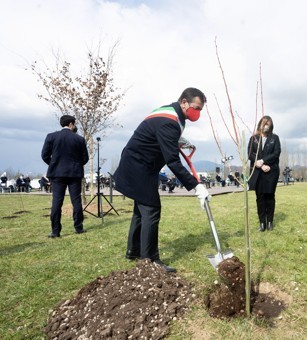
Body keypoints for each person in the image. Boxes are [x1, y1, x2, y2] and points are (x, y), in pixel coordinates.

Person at [113, 88, 211, 273]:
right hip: (139, 166)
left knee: (140, 211)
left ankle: (133, 250)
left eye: (200, 110)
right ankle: (150, 260)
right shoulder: (169, 121)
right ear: (183, 102)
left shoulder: (169, 112)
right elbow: (173, 161)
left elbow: (158, 134)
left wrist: (179, 140)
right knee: (151, 210)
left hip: (139, 164)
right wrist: (196, 186)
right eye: (195, 108)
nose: (197, 113)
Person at [41, 115, 89, 238]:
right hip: (74, 173)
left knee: (57, 201)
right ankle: (79, 228)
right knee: (76, 200)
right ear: (72, 124)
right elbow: (85, 158)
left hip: (57, 174)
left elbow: (44, 155)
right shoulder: (79, 139)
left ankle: (55, 231)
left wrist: (54, 164)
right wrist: (76, 165)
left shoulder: (51, 136)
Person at [248, 116, 281, 232]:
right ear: (260, 124)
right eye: (264, 123)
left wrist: (264, 161)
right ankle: (262, 222)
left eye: (268, 124)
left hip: (271, 171)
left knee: (270, 196)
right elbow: (250, 154)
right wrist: (260, 164)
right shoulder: (254, 138)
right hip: (258, 171)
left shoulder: (274, 138)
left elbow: (276, 153)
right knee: (260, 197)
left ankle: (270, 221)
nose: (266, 125)